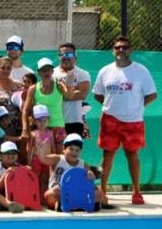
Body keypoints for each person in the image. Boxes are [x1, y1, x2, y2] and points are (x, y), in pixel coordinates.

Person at [93, 35, 157, 204]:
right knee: (107, 155)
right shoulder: (105, 71)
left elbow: (152, 95)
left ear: (131, 50)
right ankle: (103, 191)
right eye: (118, 47)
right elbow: (98, 95)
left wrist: (137, 107)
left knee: (133, 155)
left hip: (133, 121)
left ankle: (137, 192)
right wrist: (111, 107)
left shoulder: (141, 71)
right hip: (109, 120)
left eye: (125, 47)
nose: (121, 50)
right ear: (113, 51)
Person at [42, 134, 108, 210]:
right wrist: (41, 150)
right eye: (71, 149)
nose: (74, 152)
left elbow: (91, 182)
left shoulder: (83, 165)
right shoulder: (57, 159)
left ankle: (77, 204)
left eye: (77, 150)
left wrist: (91, 177)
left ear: (80, 152)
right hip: (61, 193)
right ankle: (63, 204)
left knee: (99, 194)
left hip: (78, 194)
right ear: (64, 149)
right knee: (49, 195)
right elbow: (44, 159)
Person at [22, 57, 66, 150]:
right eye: (43, 70)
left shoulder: (59, 86)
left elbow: (70, 96)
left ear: (52, 71)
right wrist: (25, 129)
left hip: (57, 127)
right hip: (39, 127)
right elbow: (25, 111)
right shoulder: (33, 89)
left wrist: (68, 84)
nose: (46, 72)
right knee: (37, 158)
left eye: (49, 69)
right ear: (38, 72)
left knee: (59, 159)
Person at [54, 43, 92, 137]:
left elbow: (82, 95)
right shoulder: (52, 74)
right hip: (54, 121)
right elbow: (48, 94)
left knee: (73, 151)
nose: (66, 57)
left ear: (75, 56)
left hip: (74, 121)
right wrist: (72, 89)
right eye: (63, 54)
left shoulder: (83, 74)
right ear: (59, 56)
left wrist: (59, 91)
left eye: (69, 54)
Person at [0, 141, 26, 213]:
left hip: (15, 196)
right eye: (7, 153)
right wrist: (7, 172)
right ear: (0, 156)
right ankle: (8, 205)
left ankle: (22, 204)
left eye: (14, 153)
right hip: (0, 196)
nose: (11, 155)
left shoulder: (20, 167)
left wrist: (27, 172)